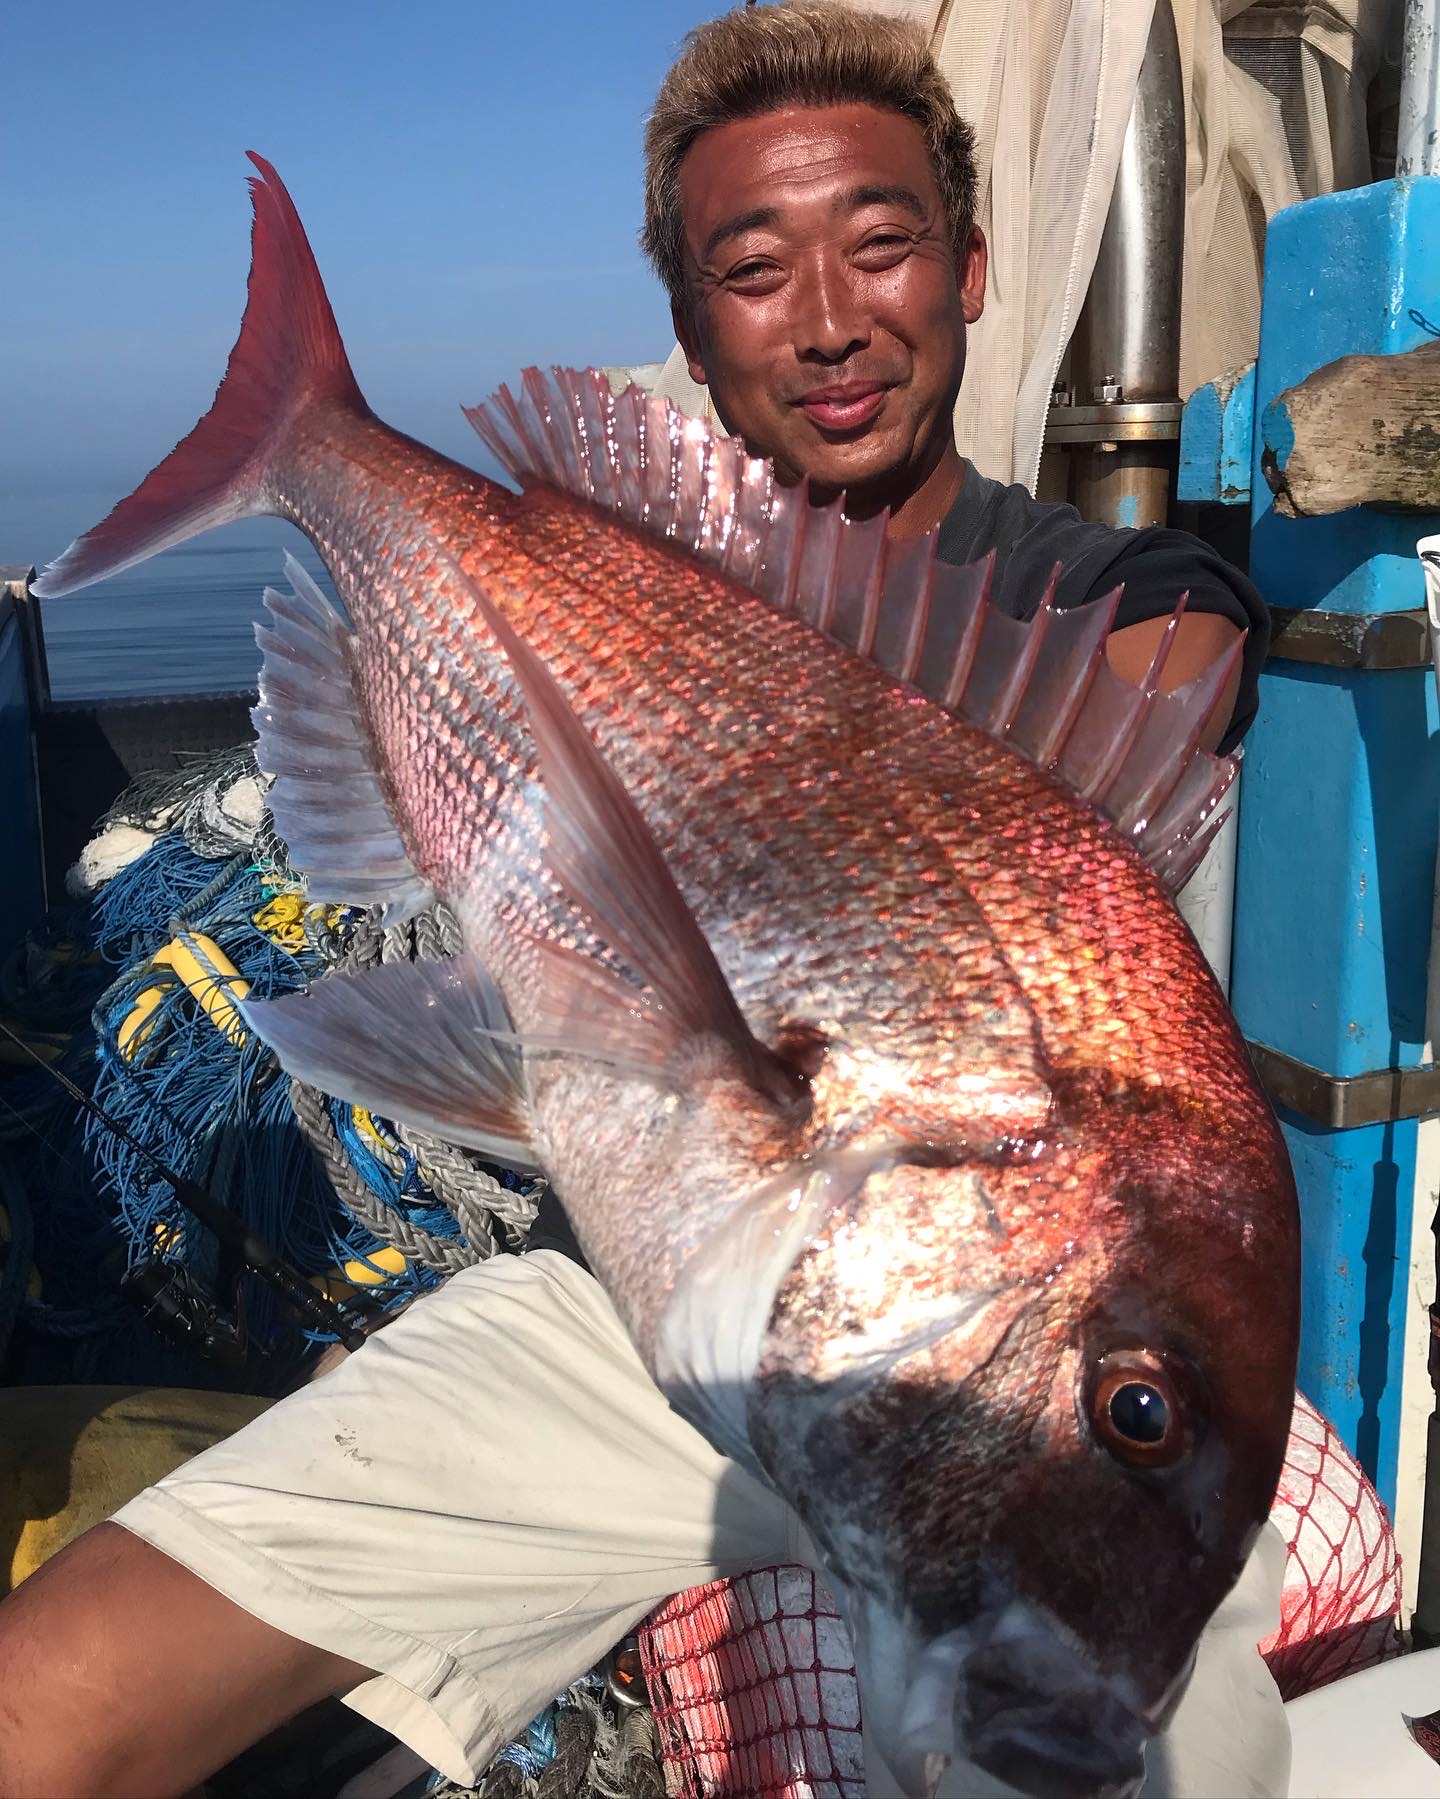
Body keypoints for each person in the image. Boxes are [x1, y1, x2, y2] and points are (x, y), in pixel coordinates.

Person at [0, 5, 1286, 1797]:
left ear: (975, 270)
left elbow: (1152, 703)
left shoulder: (1110, 612)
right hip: (607, 1314)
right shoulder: (604, 564)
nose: (828, 318)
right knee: (47, 1707)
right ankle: (296, 432)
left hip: (964, 1390)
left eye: (883, 243)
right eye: (753, 269)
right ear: (689, 327)